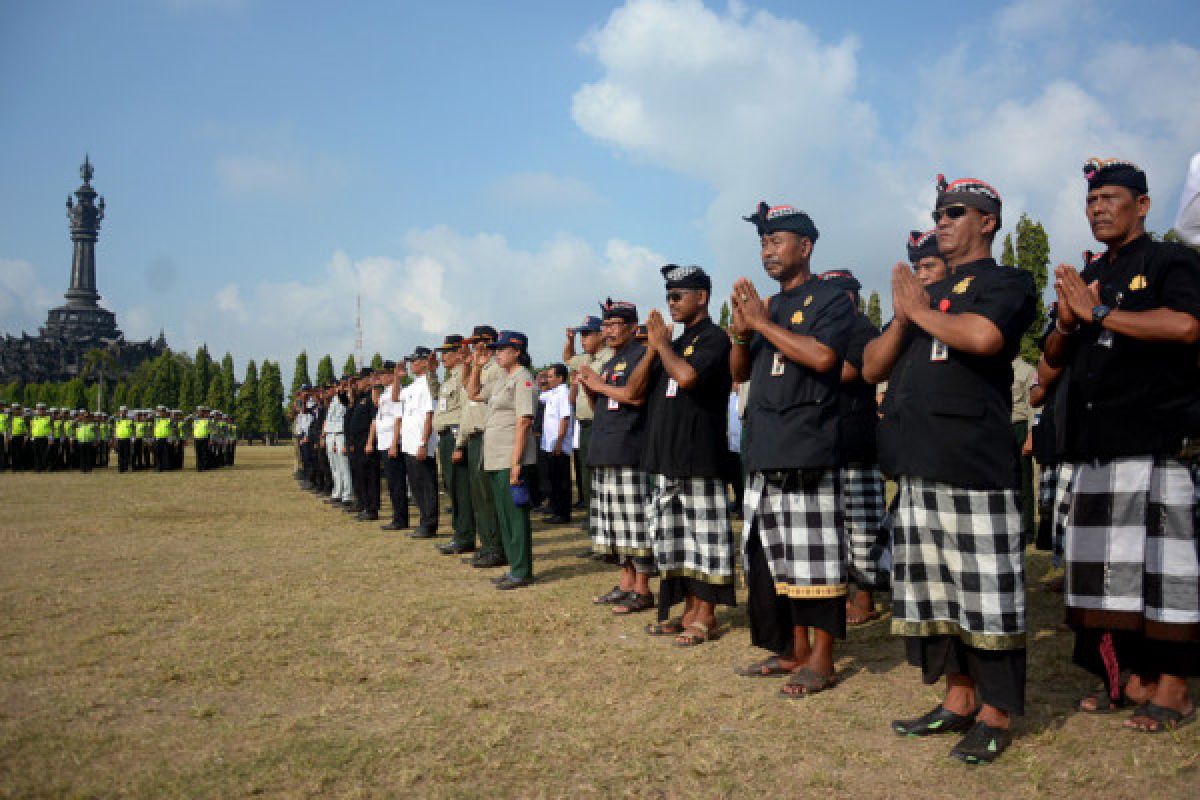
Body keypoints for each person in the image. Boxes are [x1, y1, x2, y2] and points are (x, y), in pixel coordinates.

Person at [865, 174, 1036, 764]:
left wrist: (922, 310)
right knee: (933, 597)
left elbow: (984, 337)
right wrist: (904, 317)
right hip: (916, 466)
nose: (942, 219)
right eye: (939, 211)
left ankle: (994, 713)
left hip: (971, 465)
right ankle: (957, 700)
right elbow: (870, 367)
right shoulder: (926, 293)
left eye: (956, 211)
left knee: (986, 594)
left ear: (987, 221)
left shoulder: (1007, 282)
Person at [1045, 158, 1200, 732]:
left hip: (1154, 441)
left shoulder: (1169, 260)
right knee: (1107, 579)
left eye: (1111, 198)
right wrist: (1067, 321)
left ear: (1143, 205)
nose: (1098, 208)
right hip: (1096, 446)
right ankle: (1127, 679)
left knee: (1166, 577)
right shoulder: (1091, 274)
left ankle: (1175, 690)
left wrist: (1104, 312)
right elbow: (1054, 358)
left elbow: (1186, 326)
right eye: (1091, 201)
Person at [730, 204, 855, 695]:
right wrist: (743, 334)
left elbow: (825, 357)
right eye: (763, 242)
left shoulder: (829, 299)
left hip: (808, 449)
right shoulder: (769, 307)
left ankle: (822, 661)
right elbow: (740, 374)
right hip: (764, 449)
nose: (768, 251)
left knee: (815, 562)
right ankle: (793, 651)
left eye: (776, 240)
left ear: (805, 246)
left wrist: (760, 326)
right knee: (773, 561)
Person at [641, 264, 735, 646]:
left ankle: (707, 616)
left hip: (700, 457)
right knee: (676, 538)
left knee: (706, 539)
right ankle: (688, 610)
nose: (672, 303)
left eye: (679, 296)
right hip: (668, 456)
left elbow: (689, 378)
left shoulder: (714, 338)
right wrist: (656, 347)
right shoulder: (674, 345)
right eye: (668, 296)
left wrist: (662, 345)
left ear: (703, 297)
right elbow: (636, 390)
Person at [578, 299, 656, 613]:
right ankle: (625, 582)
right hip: (606, 448)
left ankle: (643, 588)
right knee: (614, 525)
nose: (607, 331)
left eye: (614, 325)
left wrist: (599, 384)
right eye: (605, 325)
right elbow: (604, 409)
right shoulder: (612, 362)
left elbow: (634, 398)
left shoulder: (641, 357)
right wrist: (590, 389)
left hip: (629, 450)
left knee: (634, 524)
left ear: (632, 327)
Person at [819, 268, 887, 627]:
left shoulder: (862, 330)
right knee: (835, 528)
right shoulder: (830, 331)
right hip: (829, 444)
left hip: (857, 442)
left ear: (850, 297)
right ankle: (845, 592)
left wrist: (811, 361)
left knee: (862, 526)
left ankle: (865, 597)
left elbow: (847, 371)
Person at [467, 330, 537, 589]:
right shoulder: (501, 379)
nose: (496, 353)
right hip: (496, 458)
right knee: (504, 516)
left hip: (510, 457)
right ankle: (514, 567)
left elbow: (523, 421)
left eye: (502, 349)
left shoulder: (523, 379)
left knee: (516, 516)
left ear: (517, 351)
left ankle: (522, 570)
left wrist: (516, 462)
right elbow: (473, 394)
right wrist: (476, 367)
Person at [455, 326, 507, 568]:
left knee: (488, 496)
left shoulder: (497, 368)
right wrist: (471, 364)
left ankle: (496, 547)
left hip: (489, 435)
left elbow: (477, 394)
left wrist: (477, 364)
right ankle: (487, 545)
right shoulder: (483, 367)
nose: (475, 346)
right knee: (479, 498)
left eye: (478, 342)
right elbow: (469, 389)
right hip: (476, 437)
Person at [434, 335, 476, 553]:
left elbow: (464, 411)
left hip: (455, 435)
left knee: (461, 490)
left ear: (459, 353)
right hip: (446, 437)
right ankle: (460, 533)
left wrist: (460, 444)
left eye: (447, 353)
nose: (442, 357)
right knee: (453, 488)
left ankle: (465, 536)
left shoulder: (463, 375)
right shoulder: (449, 377)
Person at [401, 348, 440, 538]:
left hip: (420, 443)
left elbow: (429, 414)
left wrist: (424, 442)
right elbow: (394, 398)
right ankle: (424, 521)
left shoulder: (428, 384)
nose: (411, 364)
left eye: (415, 360)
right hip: (409, 443)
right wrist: (396, 377)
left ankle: (429, 524)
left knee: (426, 486)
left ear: (425, 362)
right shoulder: (413, 385)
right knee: (416, 485)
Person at [371, 361, 409, 532]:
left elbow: (398, 419)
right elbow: (376, 404)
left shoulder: (396, 392)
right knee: (392, 483)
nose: (381, 377)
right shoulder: (386, 392)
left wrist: (394, 443)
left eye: (383, 374)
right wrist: (374, 386)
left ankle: (400, 519)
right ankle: (397, 516)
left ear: (391, 375)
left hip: (392, 443)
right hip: (384, 442)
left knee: (397, 483)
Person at [539, 363, 574, 524]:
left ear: (560, 378)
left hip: (558, 444)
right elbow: (538, 394)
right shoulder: (552, 393)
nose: (548, 379)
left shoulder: (563, 393)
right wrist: (542, 379)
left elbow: (564, 418)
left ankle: (563, 513)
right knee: (553, 479)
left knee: (562, 481)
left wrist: (560, 441)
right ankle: (556, 509)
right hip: (550, 444)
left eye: (551, 376)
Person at [1011, 355, 1037, 544]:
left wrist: (1031, 435)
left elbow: (1033, 406)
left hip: (1019, 427)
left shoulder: (1027, 370)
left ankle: (1027, 528)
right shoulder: (994, 367)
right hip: (998, 428)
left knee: (1024, 479)